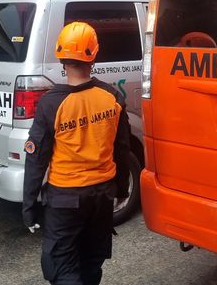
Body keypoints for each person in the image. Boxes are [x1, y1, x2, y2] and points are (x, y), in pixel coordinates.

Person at [22, 22, 131, 285]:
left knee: (62, 266)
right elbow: (122, 147)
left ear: (61, 57)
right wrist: (121, 188)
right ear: (94, 55)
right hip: (102, 195)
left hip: (66, 198)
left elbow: (36, 159)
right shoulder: (112, 97)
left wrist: (29, 205)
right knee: (92, 261)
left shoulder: (51, 103)